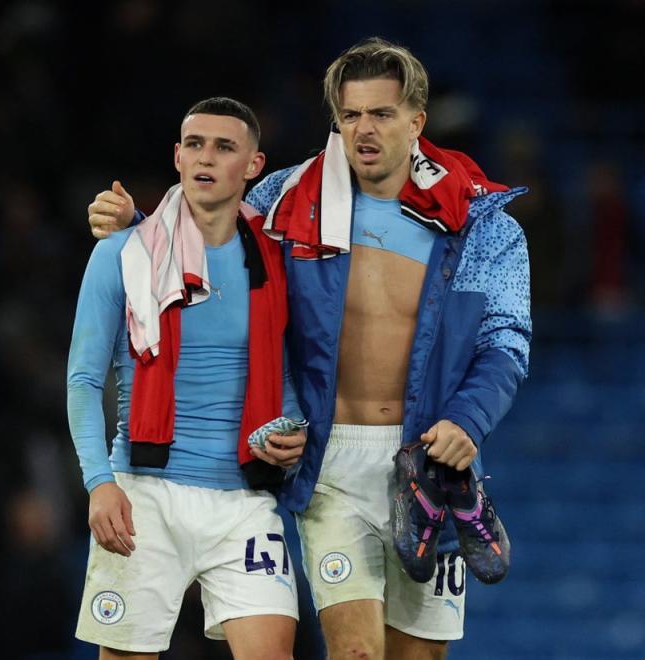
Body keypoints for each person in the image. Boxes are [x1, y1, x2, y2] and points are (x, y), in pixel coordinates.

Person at [88, 38, 531, 660]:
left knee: (419, 656)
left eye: (381, 114)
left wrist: (468, 420)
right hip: (331, 467)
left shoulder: (482, 223)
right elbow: (206, 242)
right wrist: (135, 231)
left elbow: (506, 343)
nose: (364, 130)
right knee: (354, 654)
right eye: (350, 116)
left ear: (417, 122)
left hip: (429, 465)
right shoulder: (286, 201)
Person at [68, 96, 308, 660]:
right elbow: (82, 377)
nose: (206, 157)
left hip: (244, 500)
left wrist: (290, 432)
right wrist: (99, 481)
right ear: (177, 157)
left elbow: (285, 372)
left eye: (224, 147)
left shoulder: (278, 259)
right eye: (195, 145)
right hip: (145, 493)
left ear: (253, 165)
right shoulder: (123, 252)